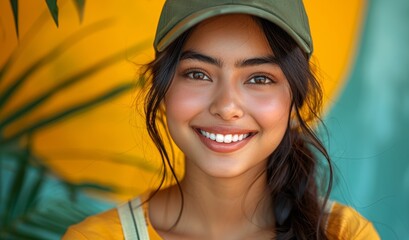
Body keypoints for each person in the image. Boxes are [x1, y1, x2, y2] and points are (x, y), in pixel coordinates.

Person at [63, 0, 380, 239]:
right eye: (198, 74)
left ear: (294, 100)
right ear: (162, 89)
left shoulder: (344, 234)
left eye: (259, 78)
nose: (227, 106)